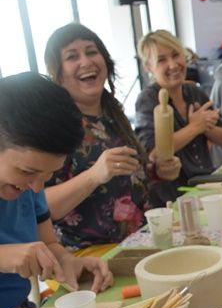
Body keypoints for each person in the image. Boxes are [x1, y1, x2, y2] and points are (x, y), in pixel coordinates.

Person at [43, 23, 182, 252]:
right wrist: (93, 176)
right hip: (90, 257)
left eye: (91, 51)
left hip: (140, 243)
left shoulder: (112, 111)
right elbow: (39, 205)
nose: (86, 61)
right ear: (57, 73)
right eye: (72, 56)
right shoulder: (54, 125)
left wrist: (157, 171)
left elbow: (129, 177)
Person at [0, 73, 113, 308]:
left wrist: (67, 261)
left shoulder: (29, 185)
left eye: (49, 174)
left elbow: (49, 243)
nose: (37, 188)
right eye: (27, 172)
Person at [134, 30, 222, 188]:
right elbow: (153, 153)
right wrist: (195, 127)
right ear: (148, 67)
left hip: (206, 181)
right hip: (174, 192)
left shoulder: (194, 91)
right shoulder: (147, 99)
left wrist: (206, 127)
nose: (173, 65)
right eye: (162, 60)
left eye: (176, 55)